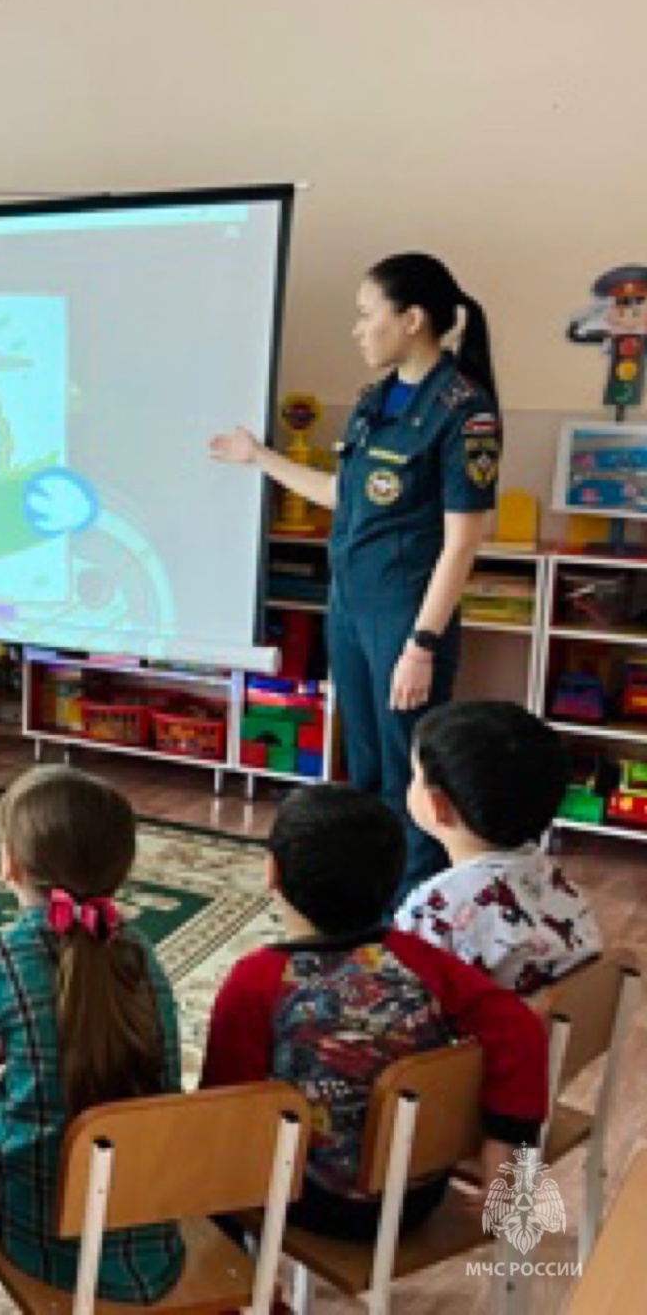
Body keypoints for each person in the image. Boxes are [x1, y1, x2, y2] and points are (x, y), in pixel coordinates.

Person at [211, 253, 501, 903]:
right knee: (365, 765)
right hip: (350, 603)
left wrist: (421, 644)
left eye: (367, 314)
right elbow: (347, 493)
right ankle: (373, 898)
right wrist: (258, 456)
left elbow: (463, 543)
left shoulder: (464, 409)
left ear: (413, 319)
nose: (358, 329)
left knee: (413, 774)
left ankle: (416, 911)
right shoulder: (376, 399)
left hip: (404, 612)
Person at [202, 786, 547, 1240]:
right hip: (416, 1195)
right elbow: (521, 1028)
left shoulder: (255, 980)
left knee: (204, 1157)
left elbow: (223, 1112)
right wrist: (508, 1148)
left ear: (272, 873)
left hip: (309, 1201)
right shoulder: (421, 959)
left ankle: (246, 1290)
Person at [0, 766, 185, 1303]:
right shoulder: (142, 955)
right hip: (153, 1242)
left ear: (9, 865)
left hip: (40, 1241)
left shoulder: (1, 964)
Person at [396, 701, 603, 996]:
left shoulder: (432, 909)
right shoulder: (560, 886)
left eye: (414, 775)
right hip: (553, 1038)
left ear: (437, 805)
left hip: (477, 1042)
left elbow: (399, 1004)